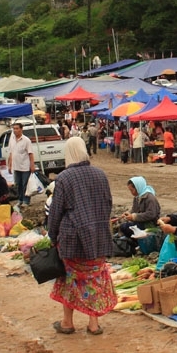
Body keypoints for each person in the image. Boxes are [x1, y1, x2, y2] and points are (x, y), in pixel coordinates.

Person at [48, 137, 116, 336]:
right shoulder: (100, 174)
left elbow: (56, 212)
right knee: (94, 278)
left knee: (69, 278)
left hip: (72, 239)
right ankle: (93, 324)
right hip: (98, 236)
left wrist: (52, 236)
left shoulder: (64, 178)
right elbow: (108, 203)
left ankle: (67, 322)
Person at [6, 122, 35, 207]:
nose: (15, 130)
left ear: (21, 129)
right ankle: (20, 199)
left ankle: (26, 201)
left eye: (17, 128)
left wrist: (32, 165)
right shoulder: (12, 140)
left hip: (25, 166)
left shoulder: (26, 140)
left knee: (25, 184)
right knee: (18, 184)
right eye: (14, 129)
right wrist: (10, 165)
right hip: (16, 166)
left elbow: (30, 154)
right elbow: (11, 153)